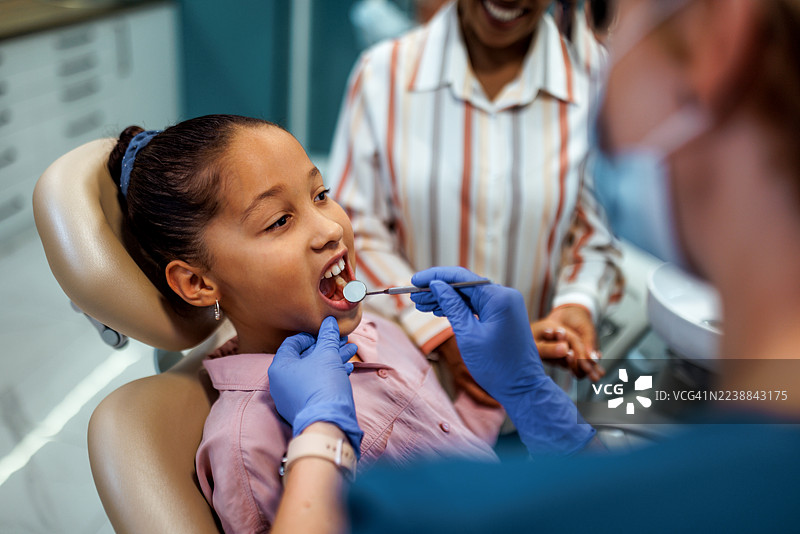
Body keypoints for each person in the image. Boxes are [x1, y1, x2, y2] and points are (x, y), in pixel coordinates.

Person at [268, 0, 800, 531]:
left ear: (717, 38)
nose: (600, 48)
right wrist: (538, 406)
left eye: (607, 14)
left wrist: (320, 435)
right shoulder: (384, 75)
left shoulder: (418, 511)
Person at [106, 115, 593, 533]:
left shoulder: (378, 333)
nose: (331, 227)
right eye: (279, 220)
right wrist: (323, 432)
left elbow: (448, 447)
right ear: (197, 282)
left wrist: (518, 387)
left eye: (321, 194)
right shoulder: (249, 443)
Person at [328, 0, 623, 398]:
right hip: (418, 391)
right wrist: (442, 333)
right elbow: (356, 232)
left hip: (540, 389)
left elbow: (596, 236)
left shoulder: (597, 81)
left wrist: (576, 304)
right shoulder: (383, 73)